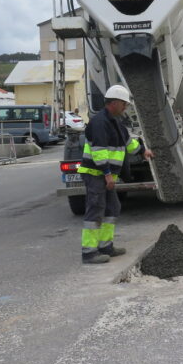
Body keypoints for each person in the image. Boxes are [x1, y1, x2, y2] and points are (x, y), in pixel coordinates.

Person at [76, 85, 154, 264]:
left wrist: (143, 151)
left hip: (104, 174)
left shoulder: (114, 122)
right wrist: (108, 175)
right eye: (124, 104)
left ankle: (105, 246)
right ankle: (89, 252)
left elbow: (128, 142)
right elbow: (99, 151)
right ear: (115, 102)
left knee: (113, 208)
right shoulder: (99, 122)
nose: (126, 107)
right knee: (96, 209)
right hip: (96, 173)